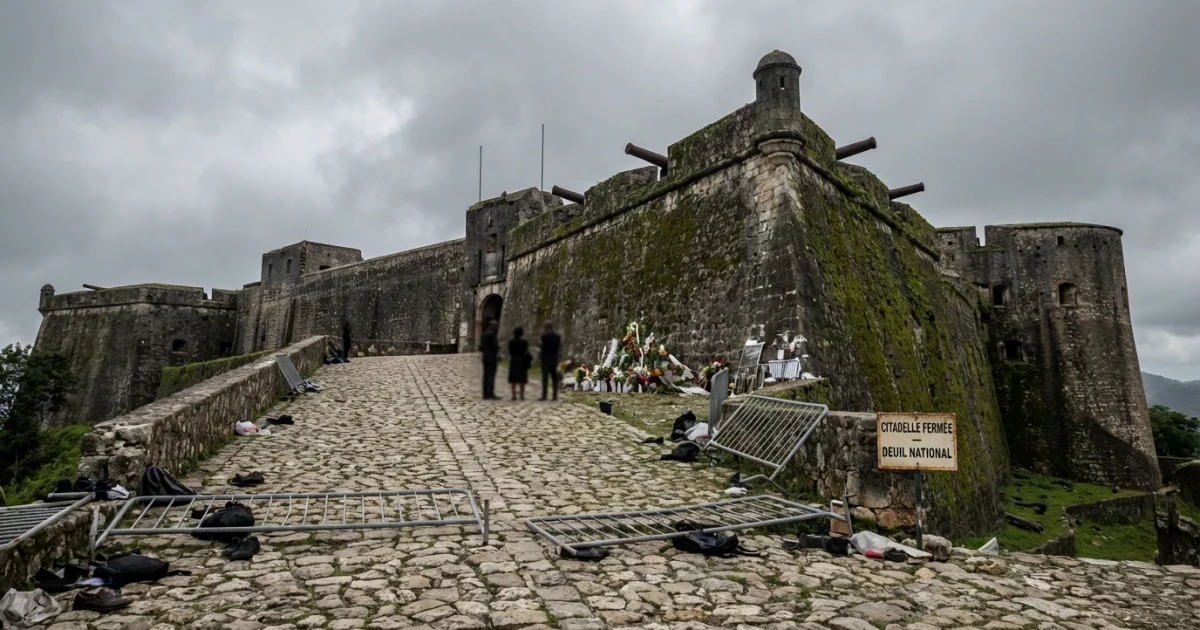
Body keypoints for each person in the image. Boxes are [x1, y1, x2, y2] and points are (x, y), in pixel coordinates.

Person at [539, 320, 562, 401]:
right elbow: (559, 346)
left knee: (545, 377)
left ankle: (544, 395)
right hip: (554, 357)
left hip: (545, 358)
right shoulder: (557, 336)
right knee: (554, 377)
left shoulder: (544, 336)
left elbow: (542, 346)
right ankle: (554, 396)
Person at [507, 327, 530, 400]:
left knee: (513, 380)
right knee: (522, 380)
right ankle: (522, 395)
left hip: (514, 361)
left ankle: (514, 395)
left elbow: (510, 351)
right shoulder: (524, 342)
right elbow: (526, 351)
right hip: (522, 361)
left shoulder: (511, 342)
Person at [480, 320, 500, 400]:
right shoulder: (492, 334)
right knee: (491, 376)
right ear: (492, 326)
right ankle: (490, 393)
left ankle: (485, 393)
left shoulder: (483, 334)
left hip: (485, 357)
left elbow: (481, 347)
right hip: (492, 357)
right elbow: (495, 346)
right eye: (496, 326)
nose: (497, 327)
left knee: (485, 376)